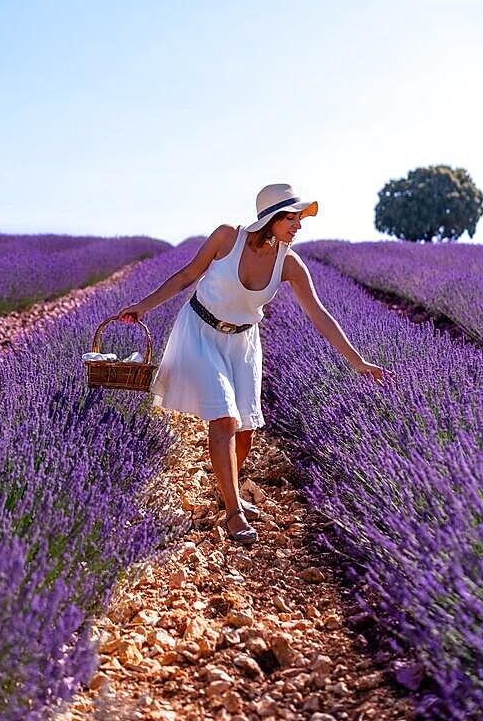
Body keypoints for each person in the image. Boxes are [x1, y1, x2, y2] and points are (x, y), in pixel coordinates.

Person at [115, 183, 393, 546]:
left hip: (243, 343)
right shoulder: (226, 238)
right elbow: (186, 275)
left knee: (244, 430)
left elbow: (319, 315)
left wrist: (358, 362)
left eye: (299, 219)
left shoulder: (289, 263)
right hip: (200, 331)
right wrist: (142, 305)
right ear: (271, 219)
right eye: (292, 218)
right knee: (225, 417)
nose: (298, 226)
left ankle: (225, 490)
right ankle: (234, 512)